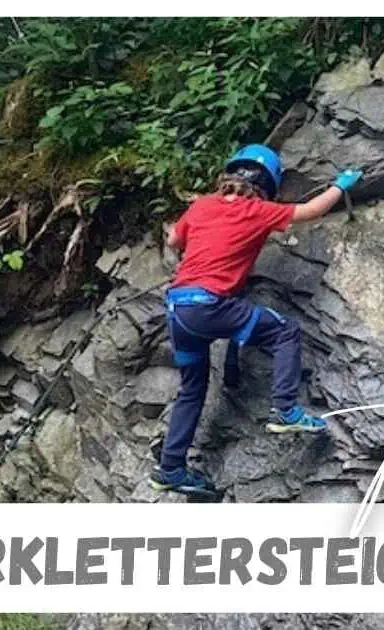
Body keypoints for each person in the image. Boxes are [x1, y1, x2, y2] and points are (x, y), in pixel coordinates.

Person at [150, 144, 362, 494]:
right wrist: (342, 185)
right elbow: (309, 211)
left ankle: (171, 468)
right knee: (284, 332)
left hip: (178, 309)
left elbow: (174, 239)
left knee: (192, 388)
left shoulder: (201, 205)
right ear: (266, 182)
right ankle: (284, 409)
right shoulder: (258, 210)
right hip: (210, 305)